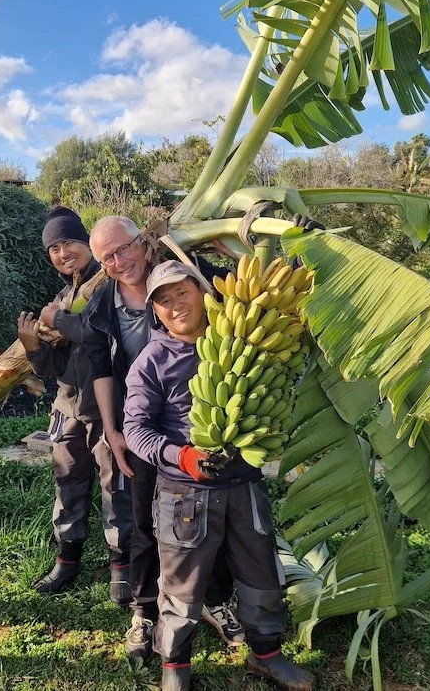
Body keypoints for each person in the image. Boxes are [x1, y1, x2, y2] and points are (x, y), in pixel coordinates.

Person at [123, 261, 315, 691]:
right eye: (164, 301)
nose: (175, 307)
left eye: (182, 294)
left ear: (203, 293)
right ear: (155, 311)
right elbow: (135, 430)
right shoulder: (151, 361)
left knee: (261, 574)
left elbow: (287, 366)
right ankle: (175, 669)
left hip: (244, 484)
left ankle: (266, 654)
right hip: (184, 492)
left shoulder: (242, 339)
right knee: (181, 589)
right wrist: (182, 455)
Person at [82, 216, 244, 663]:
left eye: (124, 249)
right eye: (106, 258)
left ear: (142, 240)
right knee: (144, 519)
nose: (119, 262)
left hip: (208, 423)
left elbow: (247, 295)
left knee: (214, 522)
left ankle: (212, 599)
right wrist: (114, 432)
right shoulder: (103, 306)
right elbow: (100, 369)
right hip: (144, 427)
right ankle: (145, 609)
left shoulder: (187, 272)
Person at [16, 206, 133, 603]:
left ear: (88, 245)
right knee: (68, 485)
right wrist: (34, 347)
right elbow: (57, 366)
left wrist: (56, 318)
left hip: (111, 410)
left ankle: (122, 566)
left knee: (116, 488)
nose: (63, 253)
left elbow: (97, 335)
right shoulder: (64, 296)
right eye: (54, 248)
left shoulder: (112, 286)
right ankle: (67, 560)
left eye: (69, 243)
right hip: (68, 409)